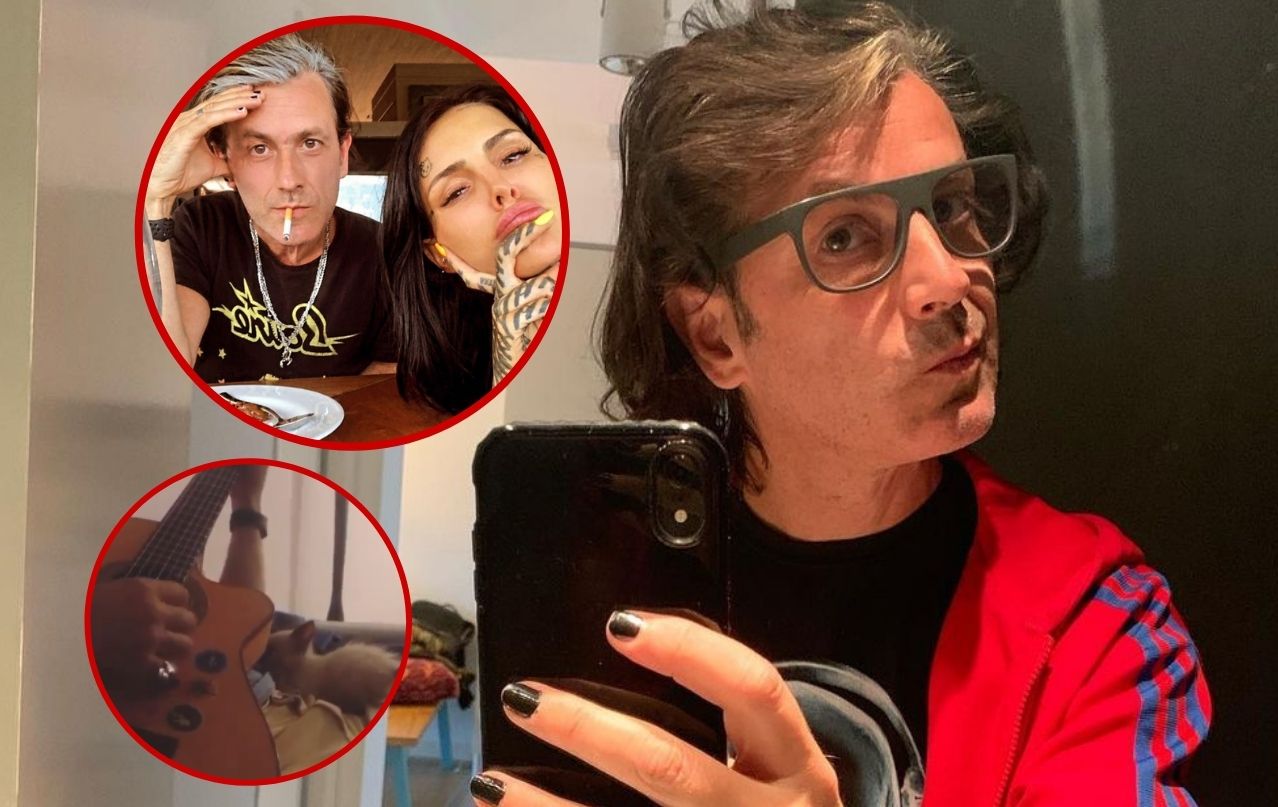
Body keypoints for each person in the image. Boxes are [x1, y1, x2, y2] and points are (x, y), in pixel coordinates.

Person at [469, 3, 1211, 806]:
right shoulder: (600, 585)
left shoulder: (1095, 622)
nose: (949, 279)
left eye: (953, 205)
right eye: (845, 237)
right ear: (715, 334)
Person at [144, 34, 396, 383]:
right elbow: (165, 371)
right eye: (259, 149)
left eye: (310, 143)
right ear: (226, 161)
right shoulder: (201, 227)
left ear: (342, 154)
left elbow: (389, 374)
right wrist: (155, 200)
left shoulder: (386, 251)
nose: (289, 180)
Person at [381, 84, 561, 414]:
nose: (500, 188)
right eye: (457, 192)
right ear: (438, 254)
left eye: (513, 156)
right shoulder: (458, 371)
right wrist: (511, 366)